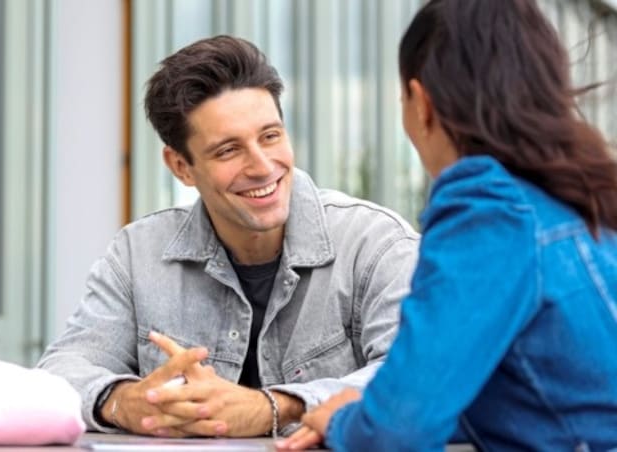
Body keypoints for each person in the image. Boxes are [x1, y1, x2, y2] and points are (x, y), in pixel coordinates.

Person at [37, 35, 419, 438]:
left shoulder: (376, 244)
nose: (261, 166)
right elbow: (60, 372)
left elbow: (416, 379)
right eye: (228, 150)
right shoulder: (138, 254)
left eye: (270, 136)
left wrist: (274, 407)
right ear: (181, 166)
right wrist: (122, 402)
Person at [278, 0, 617, 450]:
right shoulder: (582, 197)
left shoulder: (488, 209)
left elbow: (399, 429)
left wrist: (345, 421)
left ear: (422, 104)